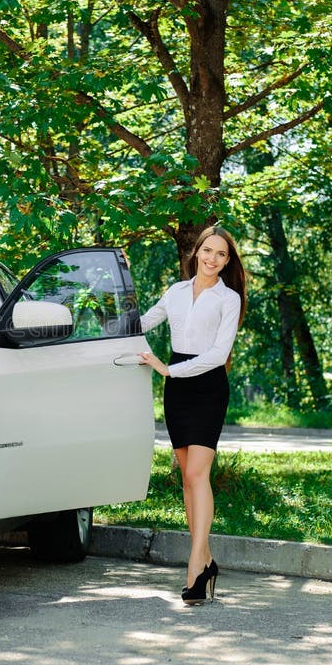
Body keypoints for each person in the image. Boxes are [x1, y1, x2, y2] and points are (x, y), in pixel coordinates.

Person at [139, 226, 246, 605]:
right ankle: (207, 559)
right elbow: (144, 322)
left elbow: (218, 355)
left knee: (199, 474)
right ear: (197, 252)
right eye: (208, 251)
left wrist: (168, 370)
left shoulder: (228, 298)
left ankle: (195, 569)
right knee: (187, 477)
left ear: (227, 261)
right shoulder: (176, 291)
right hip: (177, 391)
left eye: (221, 254)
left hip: (207, 386)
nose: (212, 259)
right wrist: (109, 324)